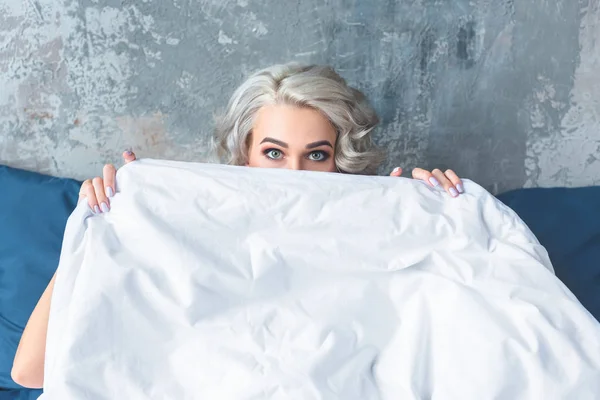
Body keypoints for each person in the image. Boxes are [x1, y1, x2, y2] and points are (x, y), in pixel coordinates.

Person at [12, 63, 465, 388]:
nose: (294, 174)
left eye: (316, 155)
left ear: (340, 162)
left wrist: (445, 215)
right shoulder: (177, 227)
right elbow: (29, 372)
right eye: (273, 152)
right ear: (243, 153)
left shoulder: (377, 235)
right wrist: (102, 230)